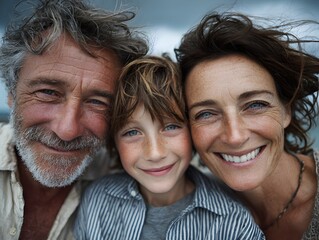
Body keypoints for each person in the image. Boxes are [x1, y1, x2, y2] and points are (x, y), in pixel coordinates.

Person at [0, 0, 148, 239]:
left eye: (97, 103)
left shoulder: (134, 182)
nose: (67, 130)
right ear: (11, 93)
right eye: (48, 92)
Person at [74, 55, 265, 239]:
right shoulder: (97, 200)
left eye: (171, 127)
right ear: (113, 143)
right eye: (132, 133)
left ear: (192, 131)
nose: (155, 153)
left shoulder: (234, 222)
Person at [175, 12, 319, 239]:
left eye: (255, 105)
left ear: (286, 110)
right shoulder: (192, 217)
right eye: (206, 114)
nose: (235, 136)